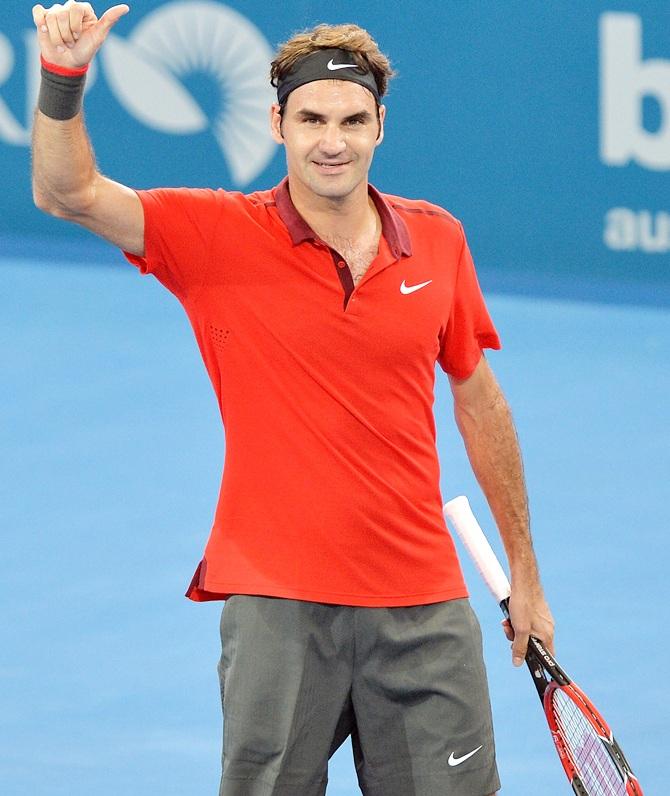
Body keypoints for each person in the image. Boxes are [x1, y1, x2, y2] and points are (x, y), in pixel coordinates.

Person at [31, 3, 555, 795]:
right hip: (280, 609)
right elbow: (64, 192)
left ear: (382, 125)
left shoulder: (439, 240)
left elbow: (480, 401)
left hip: (424, 609)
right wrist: (64, 79)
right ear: (278, 123)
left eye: (352, 119)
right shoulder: (212, 235)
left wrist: (528, 572)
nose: (332, 140)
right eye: (311, 118)